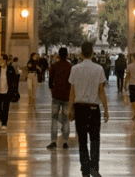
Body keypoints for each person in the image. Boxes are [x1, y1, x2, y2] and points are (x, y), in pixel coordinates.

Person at [68, 41, 109, 177]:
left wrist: (70, 109)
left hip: (79, 108)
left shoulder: (75, 69)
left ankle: (85, 167)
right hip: (93, 108)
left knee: (82, 139)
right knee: (95, 139)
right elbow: (101, 90)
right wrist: (106, 109)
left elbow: (72, 92)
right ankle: (94, 167)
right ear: (92, 53)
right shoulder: (99, 69)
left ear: (80, 54)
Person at [47, 46, 72, 150]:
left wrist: (53, 91)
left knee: (54, 118)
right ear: (67, 55)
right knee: (65, 119)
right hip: (66, 96)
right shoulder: (70, 67)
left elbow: (50, 82)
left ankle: (53, 141)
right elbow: (72, 82)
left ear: (58, 55)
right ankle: (65, 141)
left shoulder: (54, 66)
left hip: (56, 95)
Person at [0, 53, 18, 130]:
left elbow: (14, 80)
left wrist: (13, 90)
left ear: (5, 60)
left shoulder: (10, 68)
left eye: (0, 59)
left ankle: (4, 123)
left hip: (7, 92)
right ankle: (2, 119)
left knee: (6, 108)